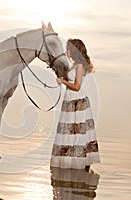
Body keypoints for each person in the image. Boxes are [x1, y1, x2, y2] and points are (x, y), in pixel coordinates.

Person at [50, 39, 100, 170]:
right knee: (69, 131)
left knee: (76, 132)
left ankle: (78, 162)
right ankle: (70, 161)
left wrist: (63, 82)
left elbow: (77, 86)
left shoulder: (79, 66)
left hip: (77, 101)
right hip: (70, 100)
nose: (66, 51)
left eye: (68, 48)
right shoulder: (74, 65)